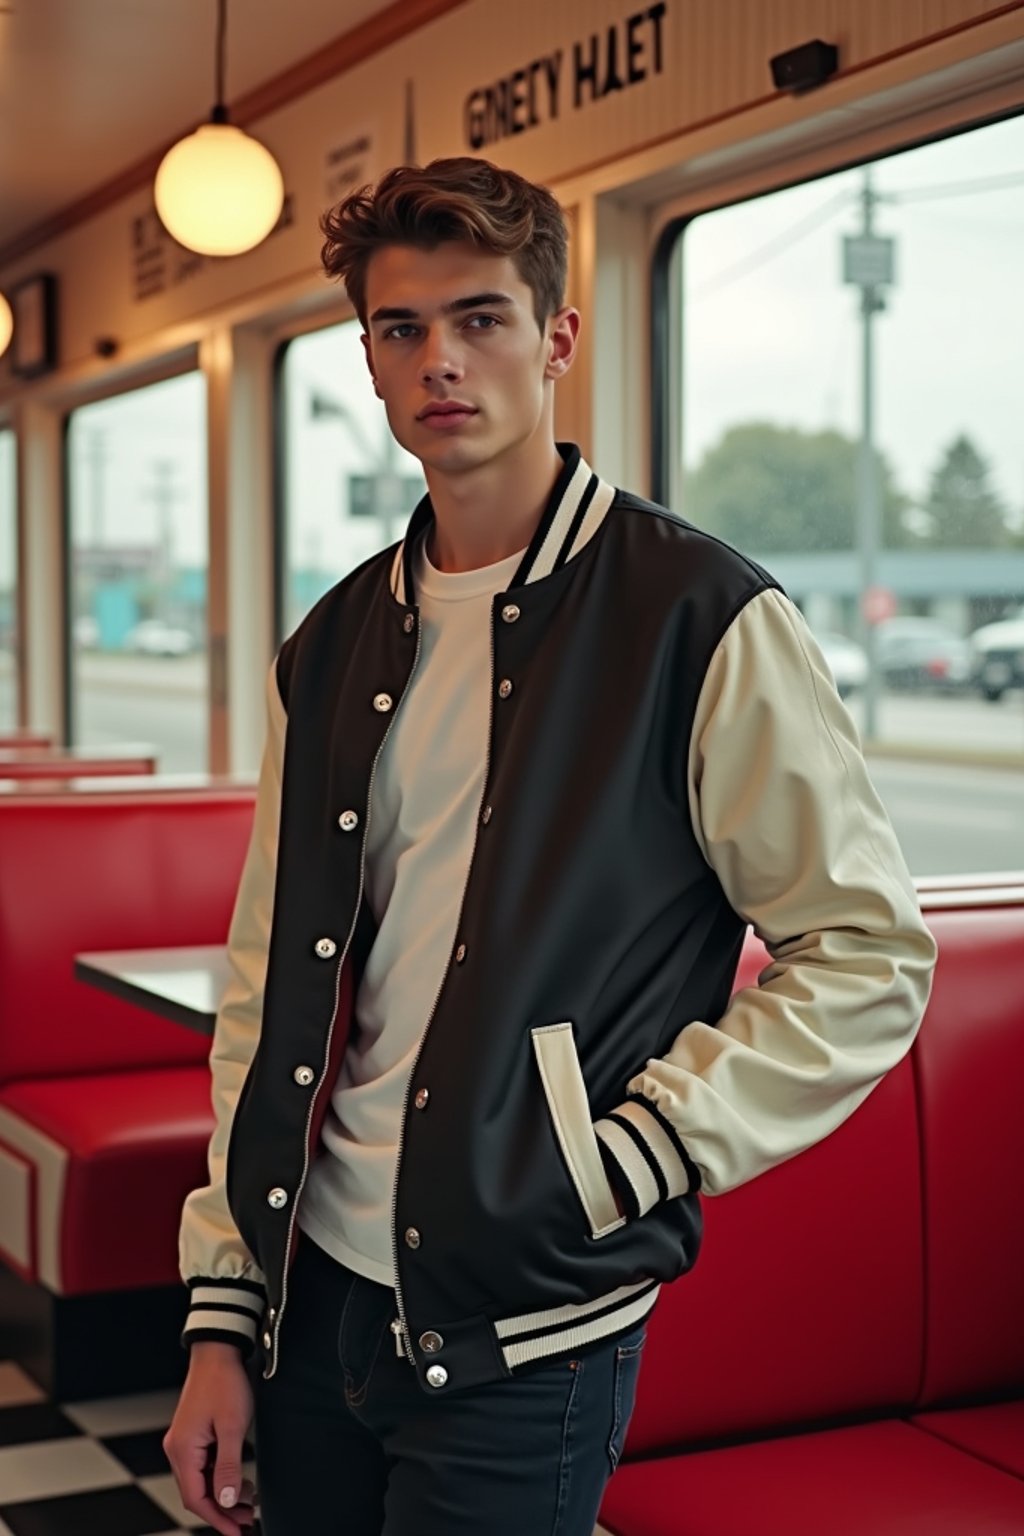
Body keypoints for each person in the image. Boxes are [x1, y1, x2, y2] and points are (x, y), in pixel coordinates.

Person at [163, 156, 937, 1536]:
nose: (440, 362)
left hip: (527, 1316)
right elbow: (264, 984)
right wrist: (225, 1309)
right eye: (401, 330)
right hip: (310, 1292)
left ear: (557, 336)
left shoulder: (696, 615)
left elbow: (868, 956)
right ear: (370, 359)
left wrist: (630, 1155)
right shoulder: (329, 644)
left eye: (481, 319)